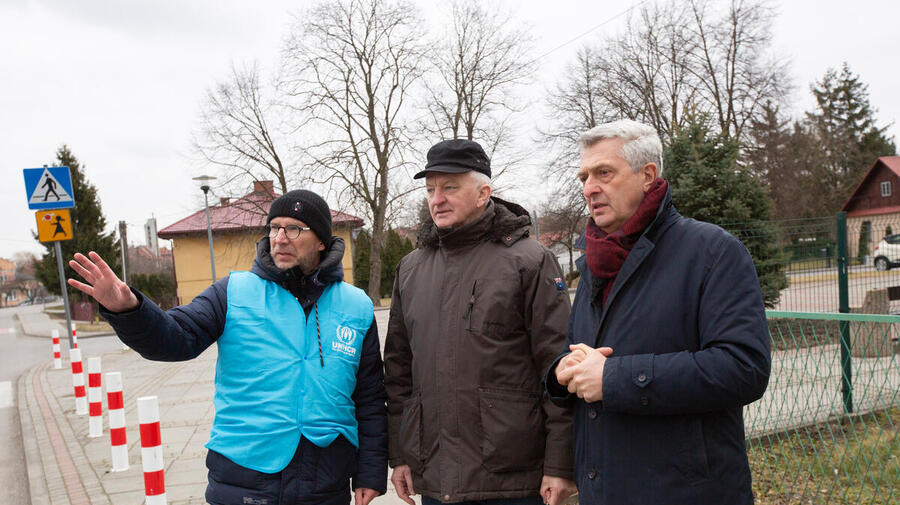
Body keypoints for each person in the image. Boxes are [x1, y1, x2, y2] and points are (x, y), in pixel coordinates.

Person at [67, 190, 387, 505]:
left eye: (294, 229)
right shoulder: (232, 292)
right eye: (274, 227)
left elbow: (370, 398)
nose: (280, 238)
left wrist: (370, 473)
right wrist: (129, 309)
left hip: (324, 481)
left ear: (321, 241)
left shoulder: (356, 306)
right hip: (244, 479)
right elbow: (176, 337)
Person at [546, 120, 771, 505]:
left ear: (648, 175)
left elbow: (743, 368)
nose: (589, 188)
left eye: (604, 173)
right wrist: (563, 372)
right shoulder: (593, 267)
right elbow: (583, 355)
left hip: (686, 493)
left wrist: (615, 379)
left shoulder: (712, 252)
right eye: (584, 176)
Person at [384, 139, 577, 505]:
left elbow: (558, 368)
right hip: (437, 478)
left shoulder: (529, 261)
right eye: (430, 189)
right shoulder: (411, 269)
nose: (436, 199)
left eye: (449, 187)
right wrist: (401, 456)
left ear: (483, 192)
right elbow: (398, 373)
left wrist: (560, 462)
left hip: (513, 479)